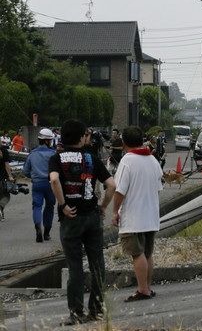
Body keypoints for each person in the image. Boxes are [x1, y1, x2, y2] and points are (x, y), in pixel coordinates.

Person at [49, 119, 115, 325]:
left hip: (71, 218)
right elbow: (111, 185)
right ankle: (96, 310)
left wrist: (62, 205)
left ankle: (76, 313)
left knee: (75, 266)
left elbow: (53, 180)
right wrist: (103, 207)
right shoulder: (91, 157)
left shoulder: (56, 158)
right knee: (97, 264)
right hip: (92, 216)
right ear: (81, 137)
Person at [112, 126, 163, 302]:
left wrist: (114, 211)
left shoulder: (127, 161)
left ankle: (142, 290)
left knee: (137, 253)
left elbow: (119, 191)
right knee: (148, 253)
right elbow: (158, 189)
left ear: (124, 142)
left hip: (133, 217)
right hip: (151, 215)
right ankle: (148, 287)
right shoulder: (153, 160)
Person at [22, 128, 56, 242]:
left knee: (37, 206)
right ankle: (46, 233)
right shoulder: (53, 154)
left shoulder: (32, 154)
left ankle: (38, 229)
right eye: (50, 140)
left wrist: (34, 176)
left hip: (37, 184)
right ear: (47, 141)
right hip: (50, 184)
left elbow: (25, 171)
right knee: (49, 207)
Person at [0, 141, 13, 220]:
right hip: (1, 178)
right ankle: (1, 208)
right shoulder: (4, 150)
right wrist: (10, 176)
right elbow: (6, 165)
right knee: (5, 195)